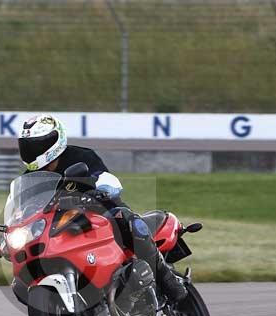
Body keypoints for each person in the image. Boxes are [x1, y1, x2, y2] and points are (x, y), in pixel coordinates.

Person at [16, 114, 187, 302]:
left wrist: (103, 186)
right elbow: (24, 209)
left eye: (38, 144)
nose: (32, 150)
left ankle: (167, 279)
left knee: (128, 221)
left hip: (99, 211)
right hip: (62, 226)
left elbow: (104, 177)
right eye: (28, 145)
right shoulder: (29, 178)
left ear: (57, 139)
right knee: (19, 282)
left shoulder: (81, 156)